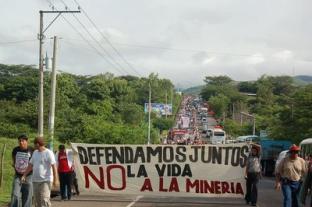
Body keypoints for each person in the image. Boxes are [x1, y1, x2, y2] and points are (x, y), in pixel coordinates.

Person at [21, 137, 57, 207]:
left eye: (34, 144)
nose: (34, 146)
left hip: (46, 180)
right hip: (35, 180)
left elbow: (54, 166)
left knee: (44, 200)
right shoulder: (35, 152)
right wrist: (24, 175)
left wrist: (56, 179)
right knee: (37, 202)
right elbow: (30, 165)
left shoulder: (48, 153)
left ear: (37, 144)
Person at [10, 134, 33, 207]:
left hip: (29, 176)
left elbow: (33, 164)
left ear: (27, 141)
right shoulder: (15, 150)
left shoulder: (32, 150)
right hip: (18, 175)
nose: (21, 142)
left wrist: (25, 174)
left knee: (27, 195)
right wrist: (15, 166)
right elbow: (14, 160)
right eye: (19, 141)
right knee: (15, 194)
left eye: (23, 141)